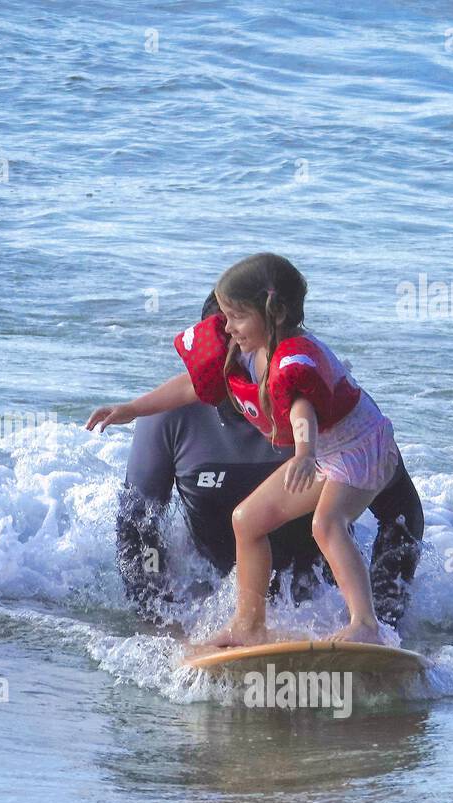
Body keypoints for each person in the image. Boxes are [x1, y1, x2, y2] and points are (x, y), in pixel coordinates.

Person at [90, 253, 423, 645]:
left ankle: (364, 625)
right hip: (219, 579)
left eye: (237, 324)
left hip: (326, 557)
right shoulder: (176, 416)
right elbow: (136, 530)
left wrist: (388, 621)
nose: (229, 342)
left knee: (326, 525)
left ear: (267, 322)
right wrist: (165, 627)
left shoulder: (305, 383)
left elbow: (403, 513)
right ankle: (248, 626)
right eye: (222, 335)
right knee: (246, 518)